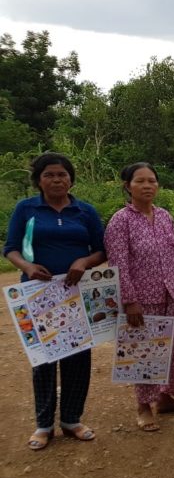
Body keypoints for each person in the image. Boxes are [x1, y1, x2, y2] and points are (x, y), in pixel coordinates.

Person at [4, 153, 106, 450]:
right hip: (38, 293)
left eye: (62, 174)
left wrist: (84, 261)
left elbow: (101, 250)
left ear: (71, 179)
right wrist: (27, 267)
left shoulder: (84, 211)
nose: (57, 180)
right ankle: (44, 425)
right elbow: (10, 248)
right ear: (38, 180)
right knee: (44, 359)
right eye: (49, 175)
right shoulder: (26, 209)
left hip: (76, 293)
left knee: (78, 356)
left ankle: (72, 420)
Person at [105, 162, 174, 432]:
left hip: (172, 295)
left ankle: (166, 397)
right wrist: (129, 300)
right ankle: (144, 406)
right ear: (127, 186)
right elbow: (117, 263)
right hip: (142, 300)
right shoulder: (121, 220)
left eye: (152, 181)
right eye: (140, 181)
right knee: (145, 354)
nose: (147, 186)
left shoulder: (165, 216)